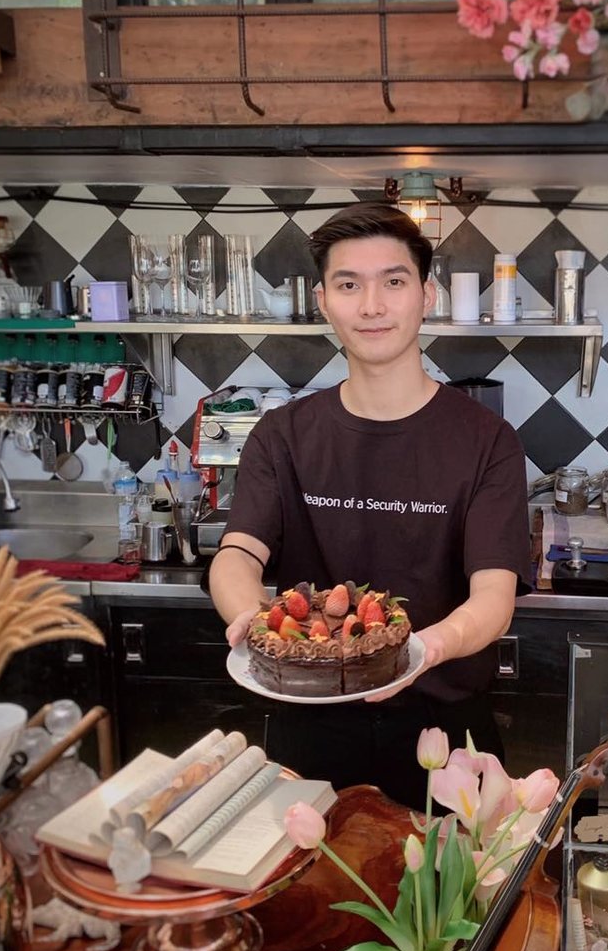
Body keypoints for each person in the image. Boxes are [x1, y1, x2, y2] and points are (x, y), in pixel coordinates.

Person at [209, 202, 533, 807]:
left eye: (394, 282)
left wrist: (422, 651)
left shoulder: (487, 440)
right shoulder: (281, 435)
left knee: (451, 873)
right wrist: (256, 622)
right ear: (323, 301)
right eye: (348, 285)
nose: (372, 306)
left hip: (443, 732)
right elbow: (237, 555)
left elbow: (495, 598)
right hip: (308, 725)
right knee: (308, 871)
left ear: (426, 295)